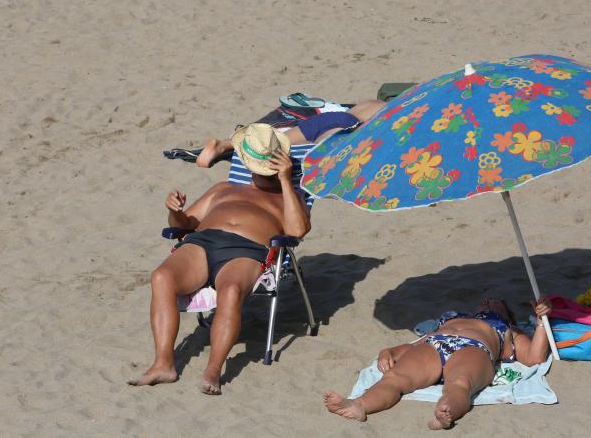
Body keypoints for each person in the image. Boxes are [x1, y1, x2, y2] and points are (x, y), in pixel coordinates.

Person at [129, 124, 311, 394]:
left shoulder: (289, 198)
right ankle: (163, 364)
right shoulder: (224, 188)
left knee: (231, 291)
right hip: (203, 242)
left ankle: (213, 369)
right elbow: (185, 223)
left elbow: (297, 231)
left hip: (247, 250)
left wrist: (285, 180)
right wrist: (174, 210)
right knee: (162, 277)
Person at [323, 297, 552, 429]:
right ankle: (359, 405)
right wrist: (389, 351)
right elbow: (414, 345)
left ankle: (447, 412)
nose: (487, 301)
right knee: (395, 378)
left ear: (506, 313)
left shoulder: (508, 329)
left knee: (460, 383)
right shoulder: (455, 316)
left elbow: (534, 358)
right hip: (435, 343)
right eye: (485, 301)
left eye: (496, 302)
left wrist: (542, 320)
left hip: (473, 348)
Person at [196, 99, 386, 168]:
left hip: (329, 118)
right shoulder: (396, 112)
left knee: (279, 141)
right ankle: (234, 144)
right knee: (316, 154)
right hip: (344, 128)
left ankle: (225, 144)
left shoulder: (374, 103)